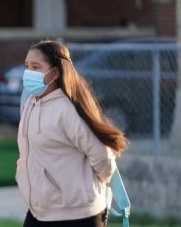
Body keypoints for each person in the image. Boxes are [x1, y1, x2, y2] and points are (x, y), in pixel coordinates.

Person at [16, 40, 129, 227]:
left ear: (55, 73)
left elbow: (103, 156)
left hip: (78, 216)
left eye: (36, 67)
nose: (28, 73)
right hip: (39, 213)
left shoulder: (68, 111)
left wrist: (85, 186)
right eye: (27, 66)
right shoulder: (30, 104)